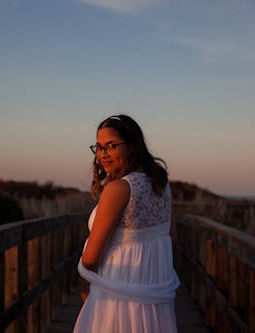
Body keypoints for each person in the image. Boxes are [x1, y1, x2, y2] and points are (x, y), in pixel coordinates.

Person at [73, 115, 180, 332]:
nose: (103, 154)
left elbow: (91, 258)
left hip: (115, 291)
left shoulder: (119, 189)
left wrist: (85, 290)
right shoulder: (161, 185)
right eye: (99, 147)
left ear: (133, 145)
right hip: (151, 294)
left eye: (111, 146)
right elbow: (172, 239)